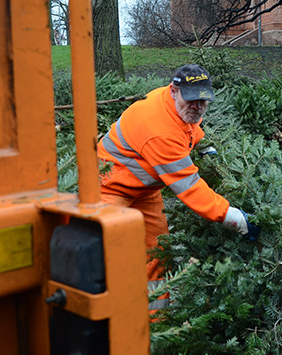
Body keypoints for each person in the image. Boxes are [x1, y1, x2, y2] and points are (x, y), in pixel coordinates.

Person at [97, 64, 259, 310]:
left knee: (158, 252)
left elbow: (189, 126)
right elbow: (189, 187)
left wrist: (203, 146)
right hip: (108, 186)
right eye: (192, 100)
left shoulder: (176, 104)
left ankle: (156, 321)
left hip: (144, 189)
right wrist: (234, 218)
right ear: (174, 91)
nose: (197, 107)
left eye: (203, 101)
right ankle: (108, 318)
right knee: (105, 252)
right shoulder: (159, 130)